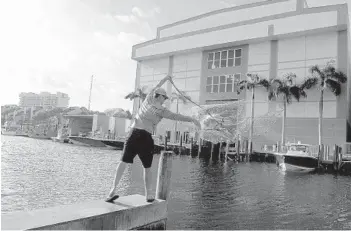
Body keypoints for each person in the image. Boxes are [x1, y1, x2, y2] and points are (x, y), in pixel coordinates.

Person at [105, 75, 201, 203]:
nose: (165, 99)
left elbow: (159, 87)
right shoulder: (161, 110)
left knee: (126, 162)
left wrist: (166, 79)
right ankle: (148, 195)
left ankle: (113, 191)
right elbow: (176, 116)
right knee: (145, 167)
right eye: (164, 97)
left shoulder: (148, 100)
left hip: (134, 134)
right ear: (160, 96)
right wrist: (192, 120)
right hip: (145, 138)